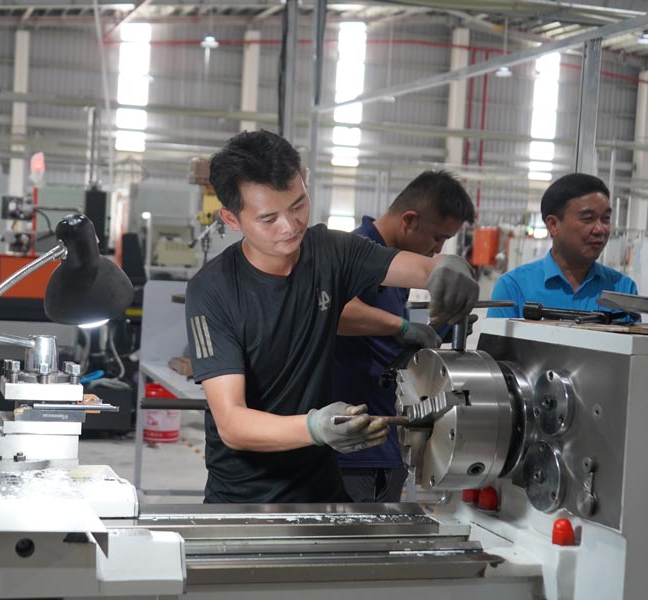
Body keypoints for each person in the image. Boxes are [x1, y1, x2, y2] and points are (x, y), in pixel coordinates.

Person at [185, 130, 479, 504]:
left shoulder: (330, 253)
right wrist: (315, 426)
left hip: (322, 490)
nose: (290, 226)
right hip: (242, 497)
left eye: (297, 205)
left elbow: (418, 268)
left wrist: (446, 268)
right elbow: (232, 423)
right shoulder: (212, 291)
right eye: (268, 218)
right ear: (232, 219)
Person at [333, 171, 475, 502]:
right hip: (351, 447)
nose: (437, 249)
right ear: (409, 221)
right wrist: (401, 327)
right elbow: (333, 311)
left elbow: (387, 341)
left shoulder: (398, 270)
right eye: (437, 238)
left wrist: (436, 329)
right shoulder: (354, 252)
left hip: (383, 439)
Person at [488, 173, 637, 319]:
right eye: (588, 219)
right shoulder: (513, 288)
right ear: (553, 225)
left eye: (605, 219)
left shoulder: (623, 290)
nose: (600, 229)